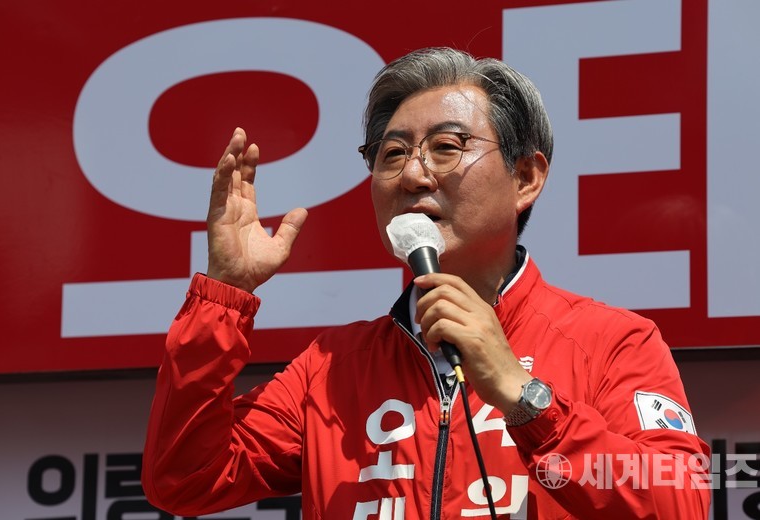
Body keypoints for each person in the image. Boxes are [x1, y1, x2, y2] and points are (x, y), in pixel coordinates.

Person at [142, 47, 711, 519]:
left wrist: (526, 399)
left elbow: (682, 504)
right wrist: (224, 296)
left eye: (447, 146)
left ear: (525, 177)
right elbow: (184, 481)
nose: (413, 174)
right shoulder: (331, 368)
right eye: (392, 154)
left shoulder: (613, 342)